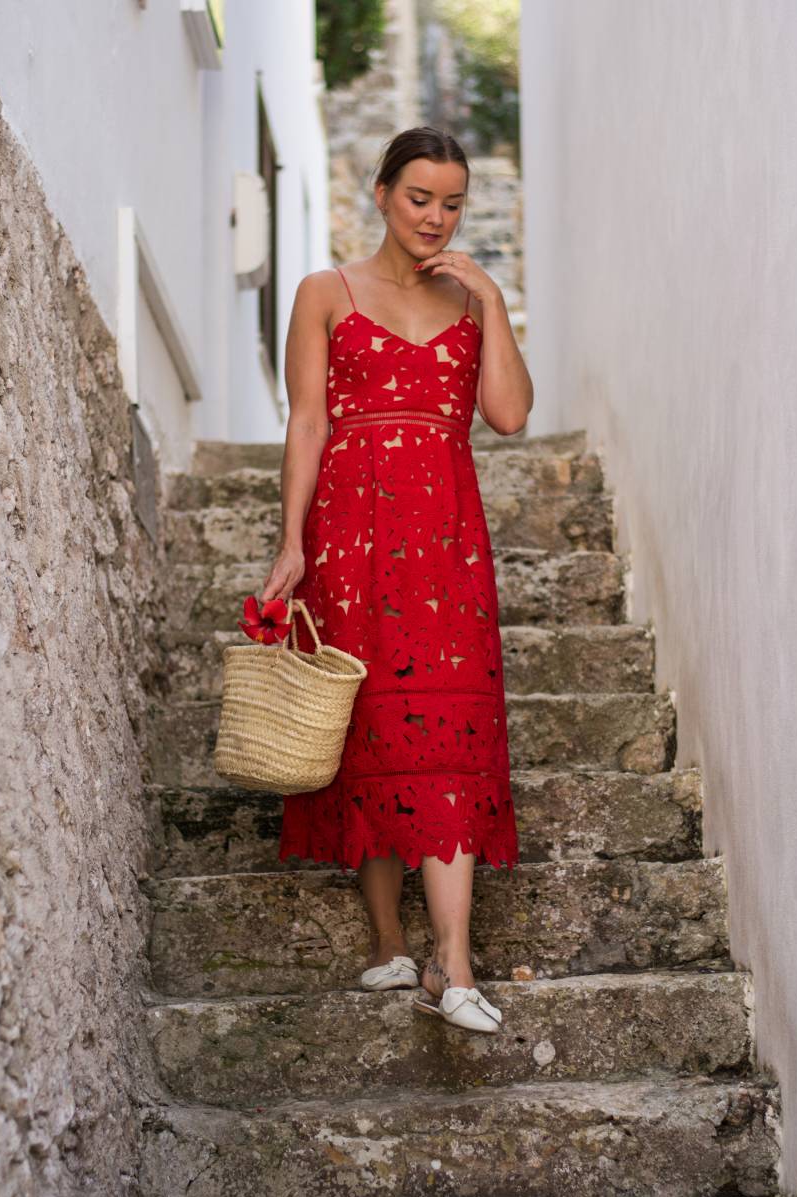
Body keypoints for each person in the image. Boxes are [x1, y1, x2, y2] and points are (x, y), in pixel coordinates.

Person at [258, 128, 535, 1034]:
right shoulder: (323, 294)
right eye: (420, 198)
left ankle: (452, 966)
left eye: (453, 203)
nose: (436, 217)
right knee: (369, 728)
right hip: (349, 534)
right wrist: (290, 542)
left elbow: (508, 415)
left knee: (450, 730)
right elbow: (306, 423)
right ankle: (389, 944)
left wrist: (491, 298)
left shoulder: (468, 300)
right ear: (381, 194)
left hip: (447, 540)